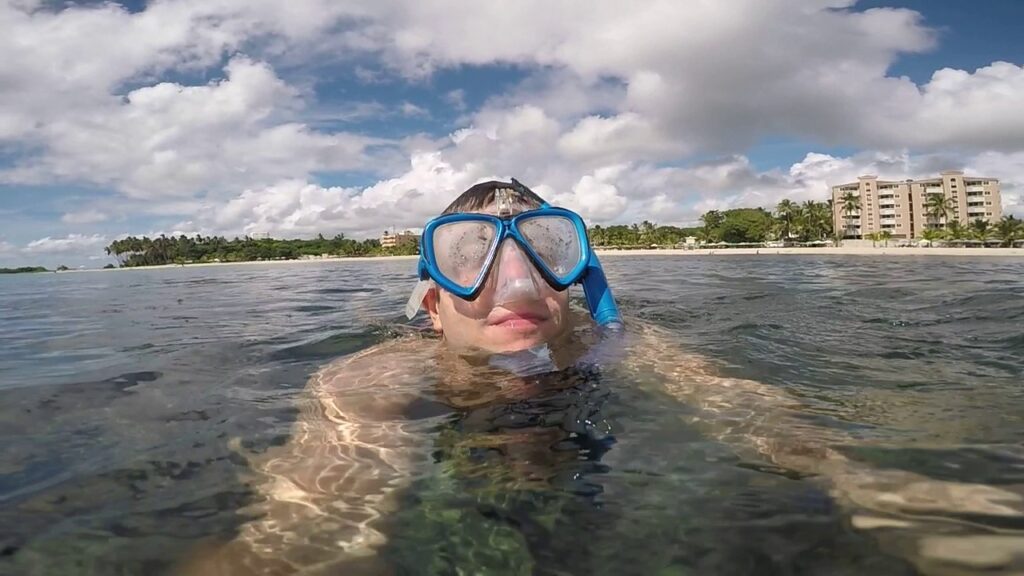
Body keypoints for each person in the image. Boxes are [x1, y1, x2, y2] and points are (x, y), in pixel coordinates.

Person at [177, 179, 1024, 575]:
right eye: (471, 256)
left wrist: (866, 482)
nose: (515, 278)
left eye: (544, 252)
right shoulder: (370, 377)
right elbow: (301, 529)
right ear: (433, 301)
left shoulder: (609, 344)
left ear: (575, 273)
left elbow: (744, 408)